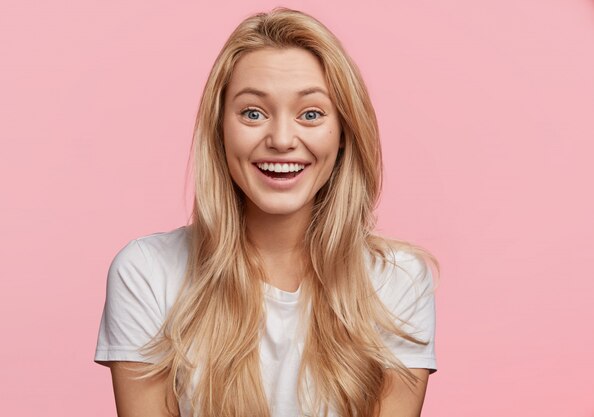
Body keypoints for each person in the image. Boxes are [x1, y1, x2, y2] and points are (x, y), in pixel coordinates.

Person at [94, 7, 438, 417]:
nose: (281, 139)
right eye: (252, 113)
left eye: (311, 114)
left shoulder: (398, 281)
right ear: (220, 129)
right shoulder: (146, 273)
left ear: (344, 132)